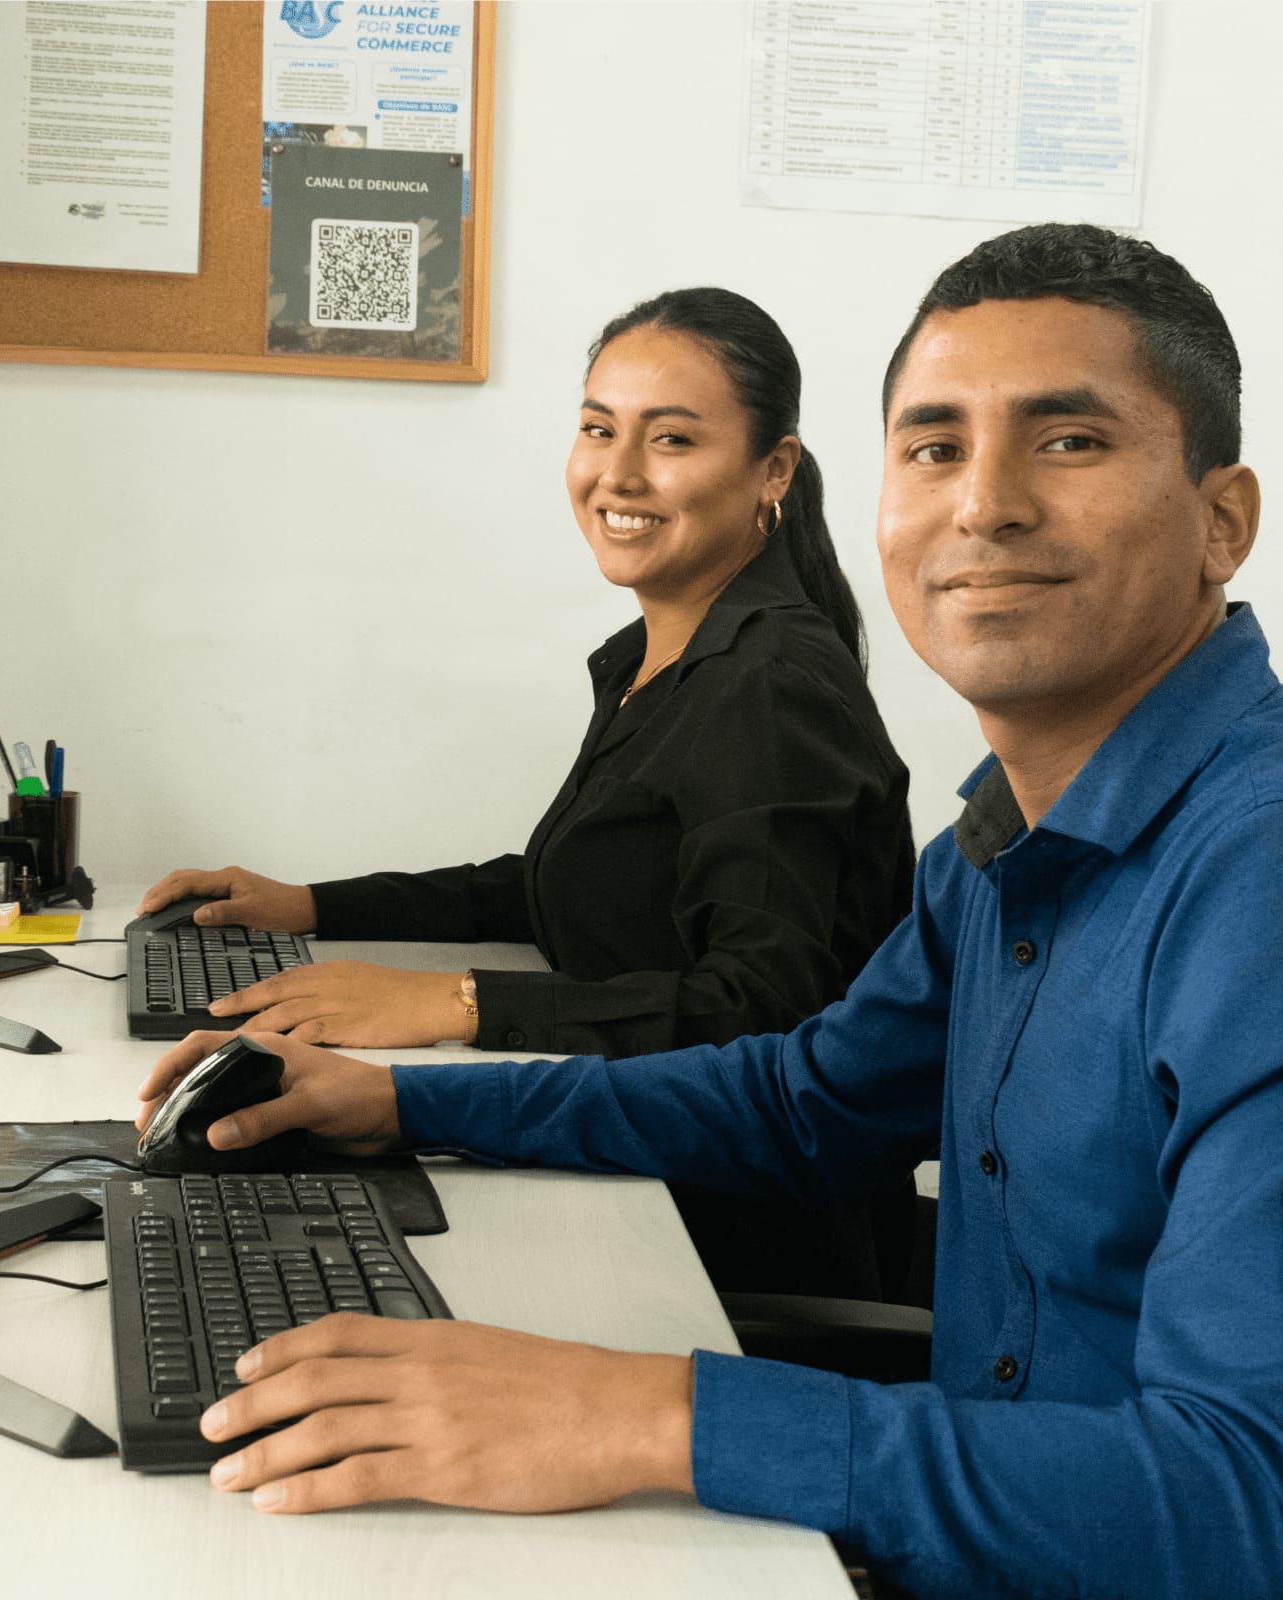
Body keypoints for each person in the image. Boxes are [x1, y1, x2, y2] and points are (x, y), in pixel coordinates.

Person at [135, 223, 1282, 1599]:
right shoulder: (1001, 843)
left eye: (1069, 441)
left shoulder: (1252, 878)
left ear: (1223, 518)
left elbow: (1242, 1501)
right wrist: (406, 1103)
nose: (984, 504)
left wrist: (648, 1417)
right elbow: (803, 1099)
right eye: (932, 447)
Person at [138, 287, 914, 1063]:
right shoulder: (658, 658)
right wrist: (308, 905)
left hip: (720, 1178)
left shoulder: (770, 684)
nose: (617, 474)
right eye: (598, 429)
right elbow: (579, 887)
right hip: (631, 1115)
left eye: (671, 440)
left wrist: (454, 1001)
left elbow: (760, 1007)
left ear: (774, 469)